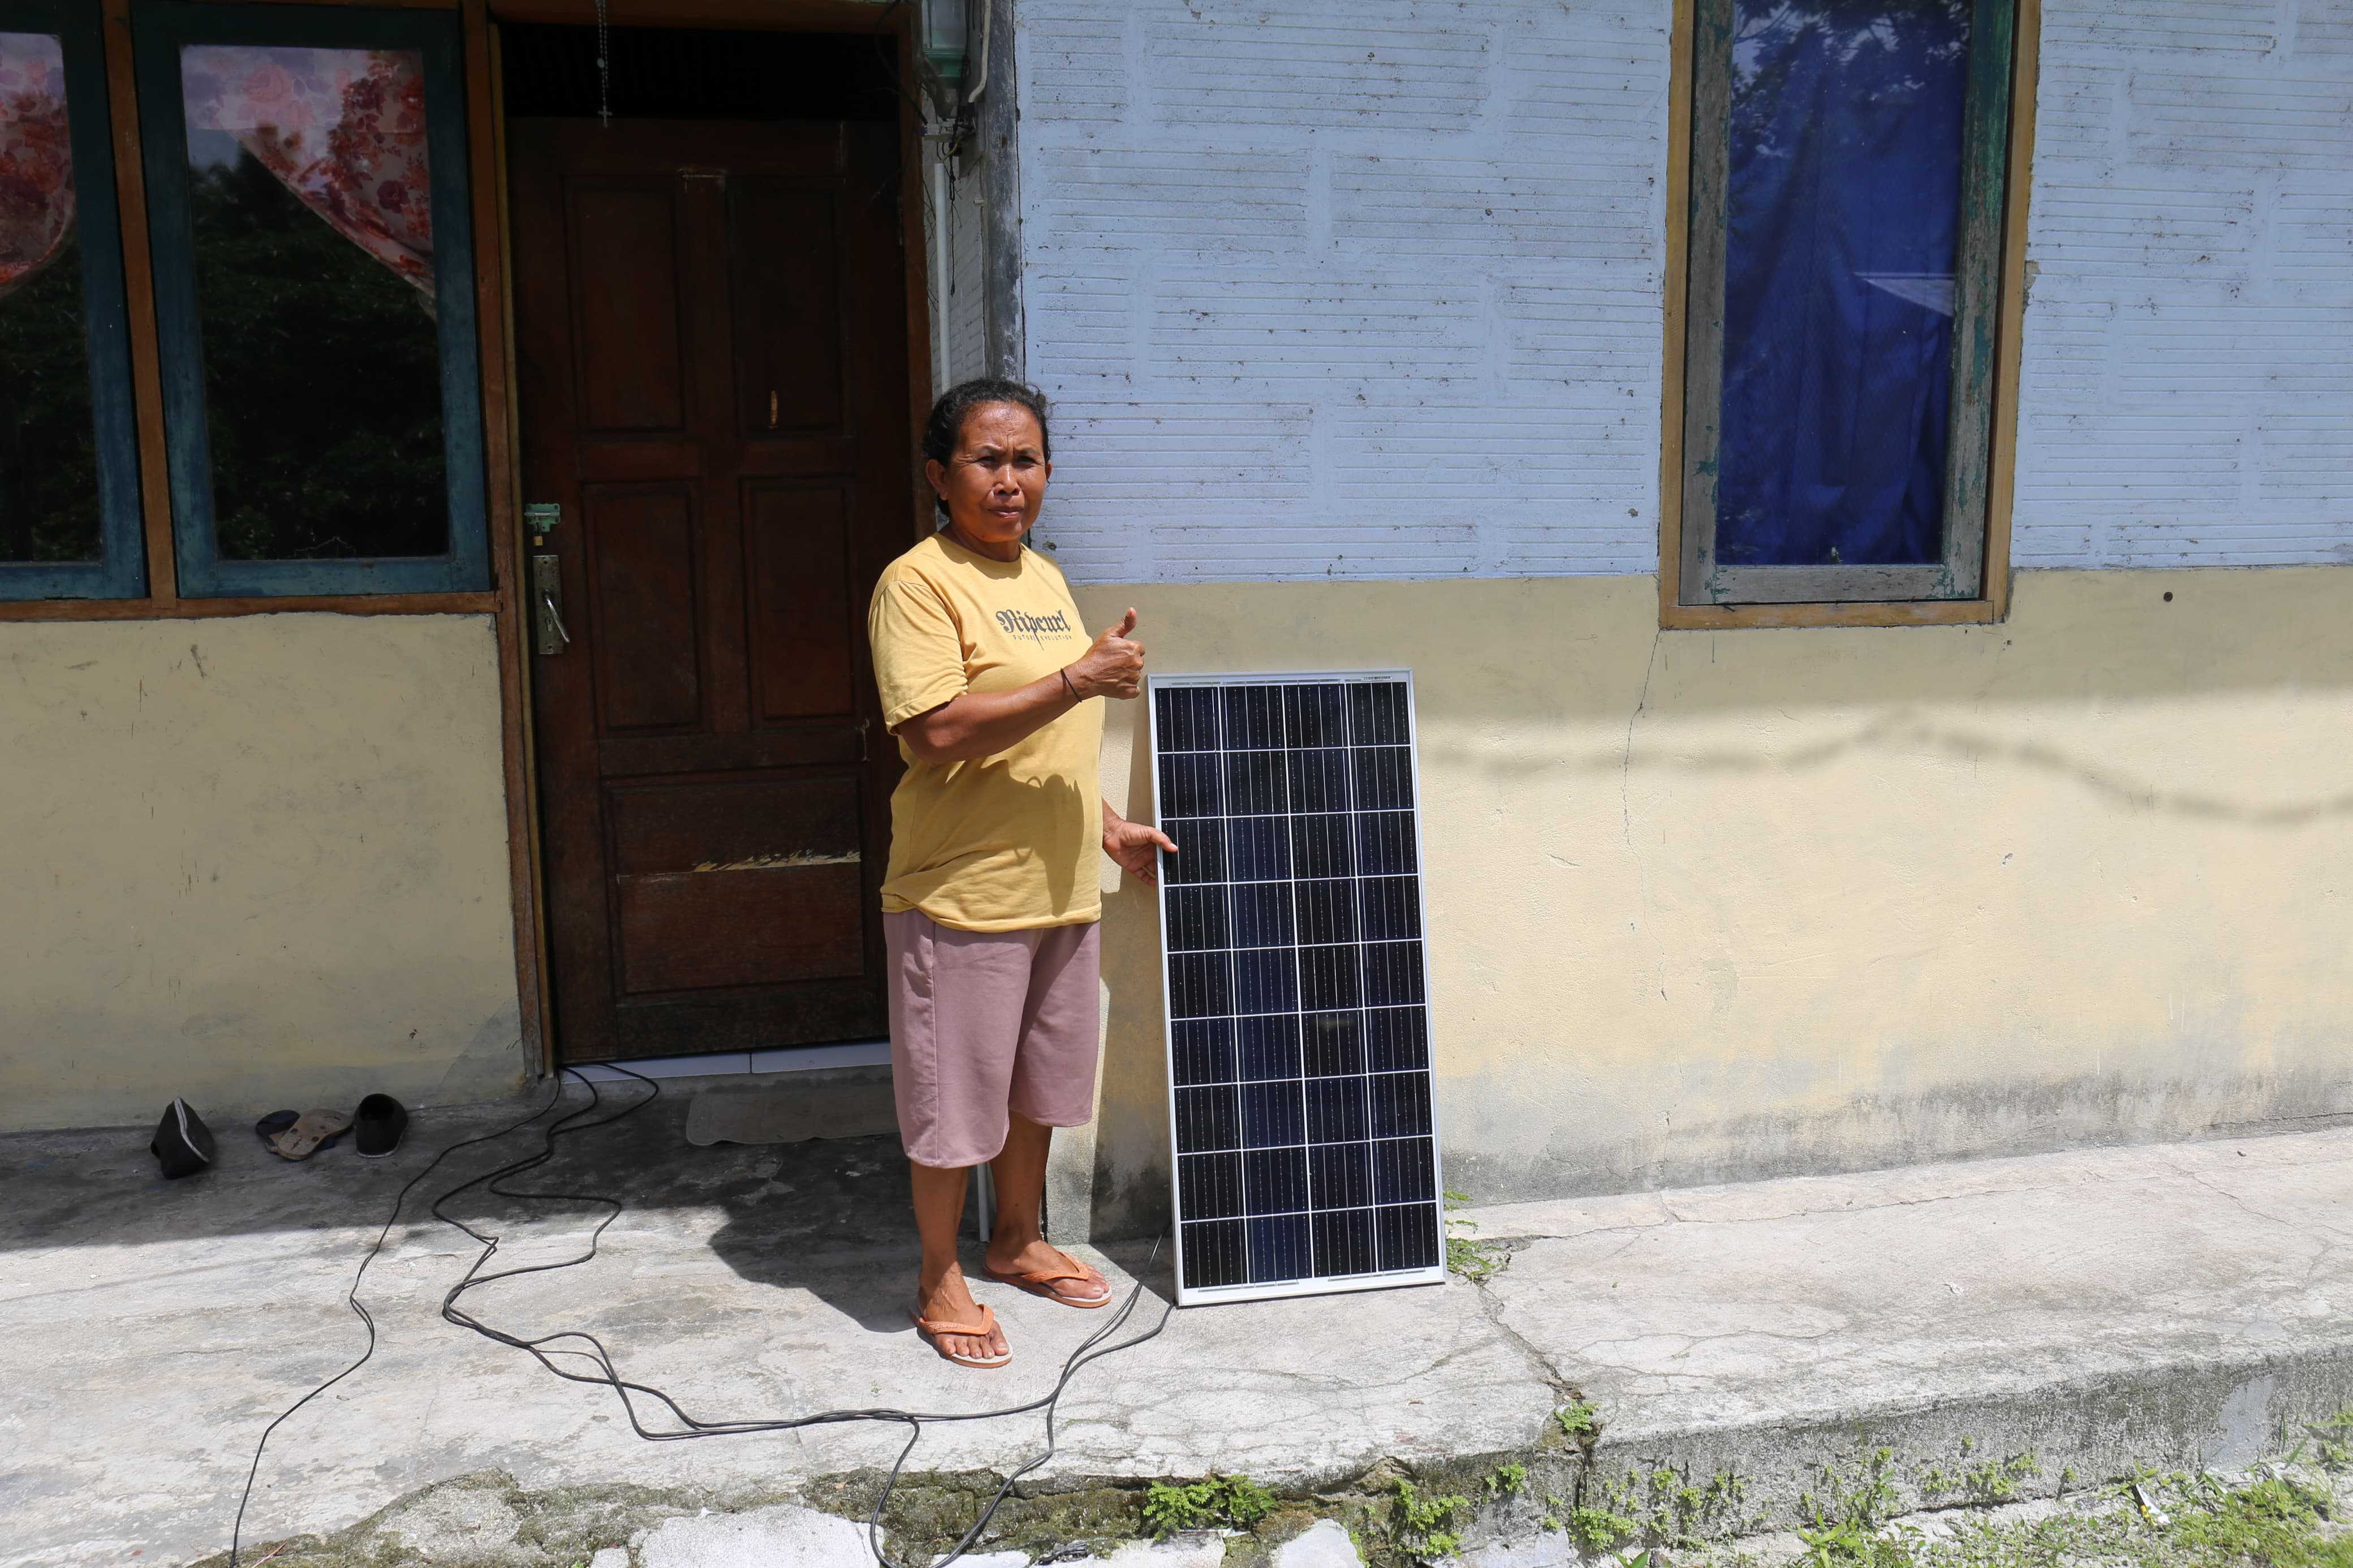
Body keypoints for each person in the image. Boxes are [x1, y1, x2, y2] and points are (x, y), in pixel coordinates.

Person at [867, 378, 1176, 1369]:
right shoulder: (917, 583)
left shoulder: (1044, 581)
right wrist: (1078, 676)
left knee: (1038, 1086)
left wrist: (1112, 826)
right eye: (987, 460)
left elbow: (1053, 747)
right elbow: (935, 731)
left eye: (1027, 460)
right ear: (939, 475)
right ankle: (937, 1273)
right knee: (955, 1098)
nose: (1010, 481)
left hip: (1058, 887)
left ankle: (1013, 1240)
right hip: (962, 893)